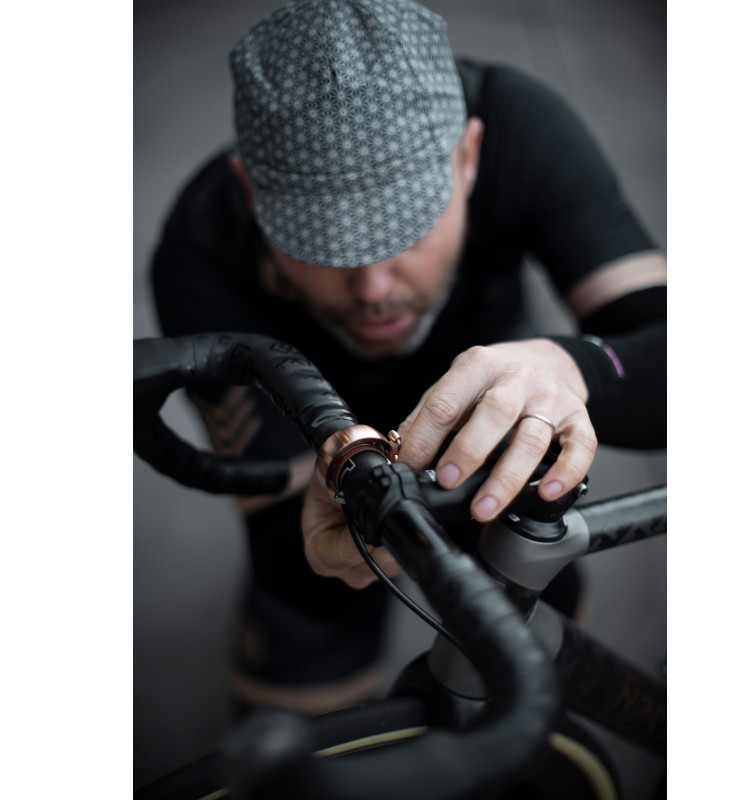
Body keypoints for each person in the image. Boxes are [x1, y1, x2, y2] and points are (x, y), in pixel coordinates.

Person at [150, 0, 666, 714]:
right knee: (304, 625)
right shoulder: (202, 246)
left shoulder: (520, 126)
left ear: (469, 157)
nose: (373, 289)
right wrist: (324, 543)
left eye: (408, 229)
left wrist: (569, 367)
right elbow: (276, 510)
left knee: (536, 635)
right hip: (315, 454)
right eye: (323, 245)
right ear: (250, 194)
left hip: (493, 417)